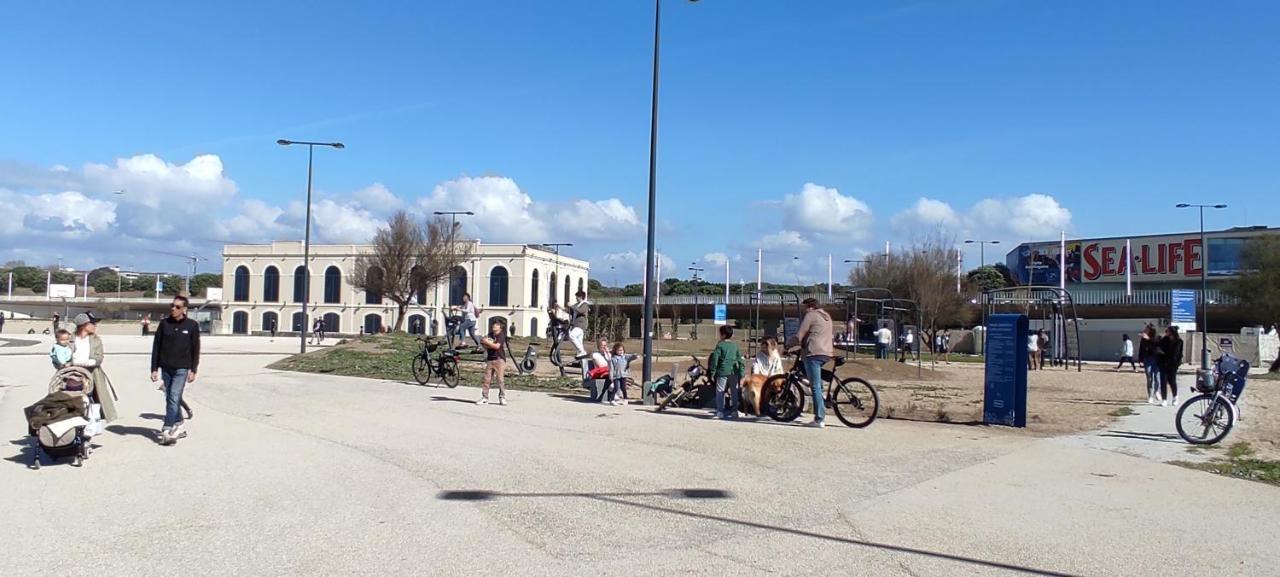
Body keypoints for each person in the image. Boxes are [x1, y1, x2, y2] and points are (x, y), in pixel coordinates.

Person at [151, 296, 201, 444]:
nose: (173, 309)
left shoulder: (192, 325)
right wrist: (154, 368)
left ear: (184, 309)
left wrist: (193, 369)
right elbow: (156, 347)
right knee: (170, 398)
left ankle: (167, 427)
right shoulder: (164, 324)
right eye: (172, 306)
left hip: (182, 368)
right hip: (166, 367)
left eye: (178, 307)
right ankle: (179, 424)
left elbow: (195, 349)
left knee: (173, 396)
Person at [69, 313, 120, 433]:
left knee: (89, 401)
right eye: (93, 323)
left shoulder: (96, 340)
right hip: (72, 375)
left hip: (92, 376)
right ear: (84, 324)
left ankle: (88, 428)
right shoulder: (70, 338)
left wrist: (81, 362)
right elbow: (62, 356)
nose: (95, 326)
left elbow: (98, 358)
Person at [787, 298, 833, 428]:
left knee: (815, 386)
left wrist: (787, 347)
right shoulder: (826, 316)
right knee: (818, 384)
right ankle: (822, 405)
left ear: (810, 306)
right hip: (827, 352)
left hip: (813, 353)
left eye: (805, 307)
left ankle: (819, 419)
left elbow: (799, 335)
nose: (804, 310)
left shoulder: (810, 315)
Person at [707, 325, 744, 420]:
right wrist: (741, 372)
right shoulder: (735, 346)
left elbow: (715, 359)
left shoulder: (720, 345)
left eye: (720, 334)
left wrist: (712, 371)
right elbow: (740, 360)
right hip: (734, 372)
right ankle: (735, 411)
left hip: (722, 371)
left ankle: (720, 411)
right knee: (734, 391)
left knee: (720, 391)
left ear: (723, 335)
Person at [478, 319, 506, 405]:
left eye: (497, 325)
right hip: (490, 359)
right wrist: (484, 342)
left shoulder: (501, 335)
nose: (494, 326)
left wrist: (488, 343)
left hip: (499, 359)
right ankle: (485, 397)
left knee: (500, 379)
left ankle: (502, 397)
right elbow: (483, 342)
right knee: (487, 379)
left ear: (500, 327)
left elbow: (497, 346)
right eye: (493, 324)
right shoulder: (490, 335)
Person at [1157, 325, 1184, 407]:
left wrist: (1164, 352)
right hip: (1163, 363)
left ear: (1172, 332)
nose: (1166, 332)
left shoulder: (1179, 341)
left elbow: (1175, 353)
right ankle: (1164, 399)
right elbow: (1158, 347)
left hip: (1173, 364)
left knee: (1172, 381)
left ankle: (1175, 397)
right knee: (1163, 381)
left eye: (1167, 331)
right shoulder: (1165, 339)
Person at [1139, 325, 1162, 404]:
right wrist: (1140, 360)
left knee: (1157, 377)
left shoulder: (1158, 337)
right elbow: (1141, 349)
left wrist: (1148, 339)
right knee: (1149, 378)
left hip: (1156, 359)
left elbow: (1157, 344)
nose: (1145, 330)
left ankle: (1157, 391)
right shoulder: (1143, 338)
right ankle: (1150, 396)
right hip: (1147, 359)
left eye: (1147, 329)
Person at [568, 290, 591, 359]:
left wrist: (571, 306)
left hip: (581, 325)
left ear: (580, 297)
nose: (576, 298)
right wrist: (559, 307)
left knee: (572, 335)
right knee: (579, 342)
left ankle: (582, 351)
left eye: (577, 297)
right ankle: (581, 357)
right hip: (575, 325)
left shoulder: (585, 305)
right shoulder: (576, 305)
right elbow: (570, 311)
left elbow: (580, 311)